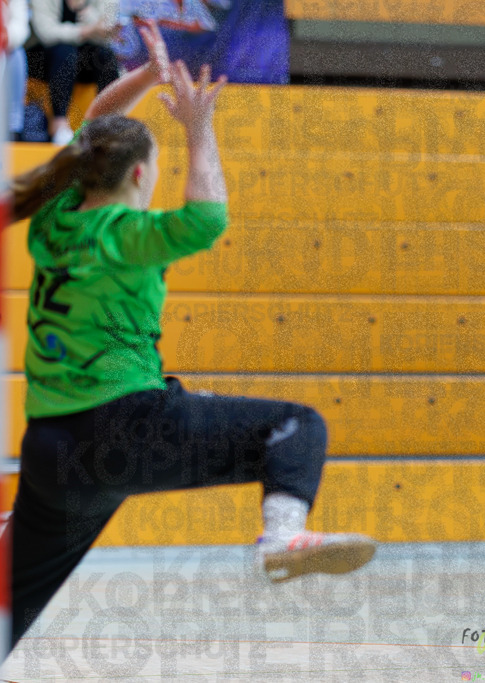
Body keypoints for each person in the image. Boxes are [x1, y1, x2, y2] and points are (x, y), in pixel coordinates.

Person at [1, 20, 376, 655]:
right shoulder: (132, 236)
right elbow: (208, 214)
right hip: (124, 428)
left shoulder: (55, 223)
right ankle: (281, 538)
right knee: (295, 429)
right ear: (142, 176)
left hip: (50, 446)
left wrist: (146, 78)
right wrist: (199, 129)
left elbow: (99, 118)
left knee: (14, 596)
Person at [27, 0, 120, 144]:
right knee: (65, 52)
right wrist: (88, 30)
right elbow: (46, 33)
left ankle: (108, 124)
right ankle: (59, 125)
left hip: (83, 60)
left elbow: (108, 33)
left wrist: (85, 11)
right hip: (43, 58)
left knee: (105, 57)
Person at [2, 0, 30, 140]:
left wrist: (5, 38)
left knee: (16, 55)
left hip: (4, 48)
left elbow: (20, 26)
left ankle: (14, 127)